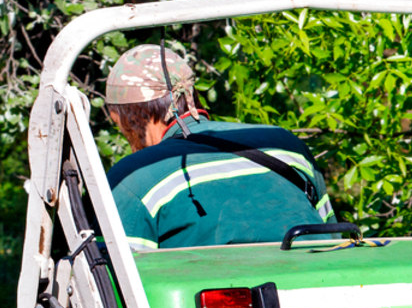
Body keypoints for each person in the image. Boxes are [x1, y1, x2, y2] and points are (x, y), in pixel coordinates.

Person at [103, 44, 335, 250]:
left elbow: (119, 284)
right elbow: (335, 241)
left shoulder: (133, 178)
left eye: (119, 126)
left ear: (133, 119)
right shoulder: (286, 145)